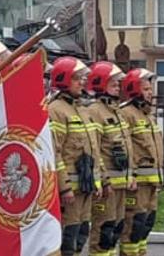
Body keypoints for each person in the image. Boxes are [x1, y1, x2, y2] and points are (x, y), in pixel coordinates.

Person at [48, 57, 98, 256]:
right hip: (70, 191)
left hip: (84, 187)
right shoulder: (56, 110)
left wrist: (97, 181)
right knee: (67, 239)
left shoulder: (81, 109)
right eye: (77, 78)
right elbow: (55, 151)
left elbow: (93, 149)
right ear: (63, 79)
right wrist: (64, 187)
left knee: (80, 236)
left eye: (83, 78)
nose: (82, 82)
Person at [85, 62, 131, 256]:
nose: (118, 88)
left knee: (116, 229)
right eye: (113, 84)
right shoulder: (95, 112)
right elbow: (95, 149)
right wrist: (103, 181)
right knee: (103, 231)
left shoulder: (117, 112)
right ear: (100, 83)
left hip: (121, 183)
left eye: (118, 84)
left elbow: (126, 148)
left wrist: (131, 176)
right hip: (108, 185)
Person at [117, 68, 162, 256]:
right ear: (134, 90)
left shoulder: (148, 115)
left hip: (152, 181)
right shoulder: (126, 113)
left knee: (146, 224)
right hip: (137, 183)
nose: (150, 93)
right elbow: (124, 146)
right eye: (146, 89)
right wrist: (130, 175)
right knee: (133, 225)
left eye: (150, 89)